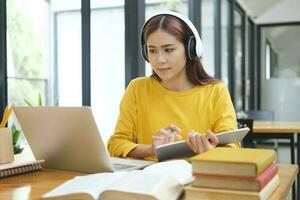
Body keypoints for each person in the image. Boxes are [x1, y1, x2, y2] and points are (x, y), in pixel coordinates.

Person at [108, 11, 238, 159]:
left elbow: (232, 147)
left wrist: (210, 152)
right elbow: (115, 143)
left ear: (190, 49)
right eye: (152, 50)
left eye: (168, 50)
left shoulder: (216, 91)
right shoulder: (137, 88)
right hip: (151, 179)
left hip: (198, 177)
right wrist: (151, 149)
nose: (159, 59)